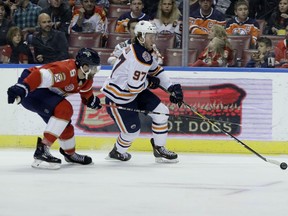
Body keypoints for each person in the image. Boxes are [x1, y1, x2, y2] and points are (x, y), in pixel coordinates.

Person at [101, 20, 183, 163]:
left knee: (162, 112)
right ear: (140, 37)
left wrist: (171, 87)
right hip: (118, 98)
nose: (153, 39)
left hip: (134, 92)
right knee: (131, 132)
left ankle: (159, 148)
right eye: (150, 36)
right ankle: (117, 152)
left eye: (154, 35)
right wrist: (149, 82)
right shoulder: (138, 57)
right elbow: (135, 86)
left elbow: (156, 70)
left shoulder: (143, 51)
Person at [7, 47, 102, 169]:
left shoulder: (86, 79)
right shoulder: (65, 71)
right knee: (65, 109)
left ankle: (70, 154)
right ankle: (43, 150)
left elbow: (86, 93)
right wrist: (23, 87)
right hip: (31, 88)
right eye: (93, 67)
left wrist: (91, 100)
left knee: (64, 125)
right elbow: (38, 75)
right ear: (83, 66)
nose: (95, 71)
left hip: (44, 93)